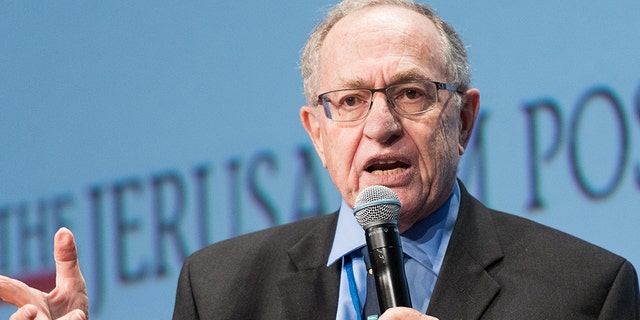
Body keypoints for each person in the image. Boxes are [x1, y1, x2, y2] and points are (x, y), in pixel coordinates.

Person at [1, 0, 639, 319]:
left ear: (464, 118)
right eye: (352, 100)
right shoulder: (221, 289)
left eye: (411, 94)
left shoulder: (584, 291)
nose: (381, 126)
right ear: (316, 129)